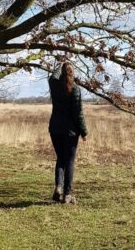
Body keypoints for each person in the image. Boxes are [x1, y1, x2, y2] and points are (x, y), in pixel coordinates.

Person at [48, 61, 88, 204]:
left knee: (60, 159)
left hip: (55, 128)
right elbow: (78, 114)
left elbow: (54, 74)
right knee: (69, 161)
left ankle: (58, 187)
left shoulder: (54, 85)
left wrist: (59, 64)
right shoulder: (75, 89)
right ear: (73, 73)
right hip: (70, 132)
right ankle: (67, 195)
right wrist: (84, 132)